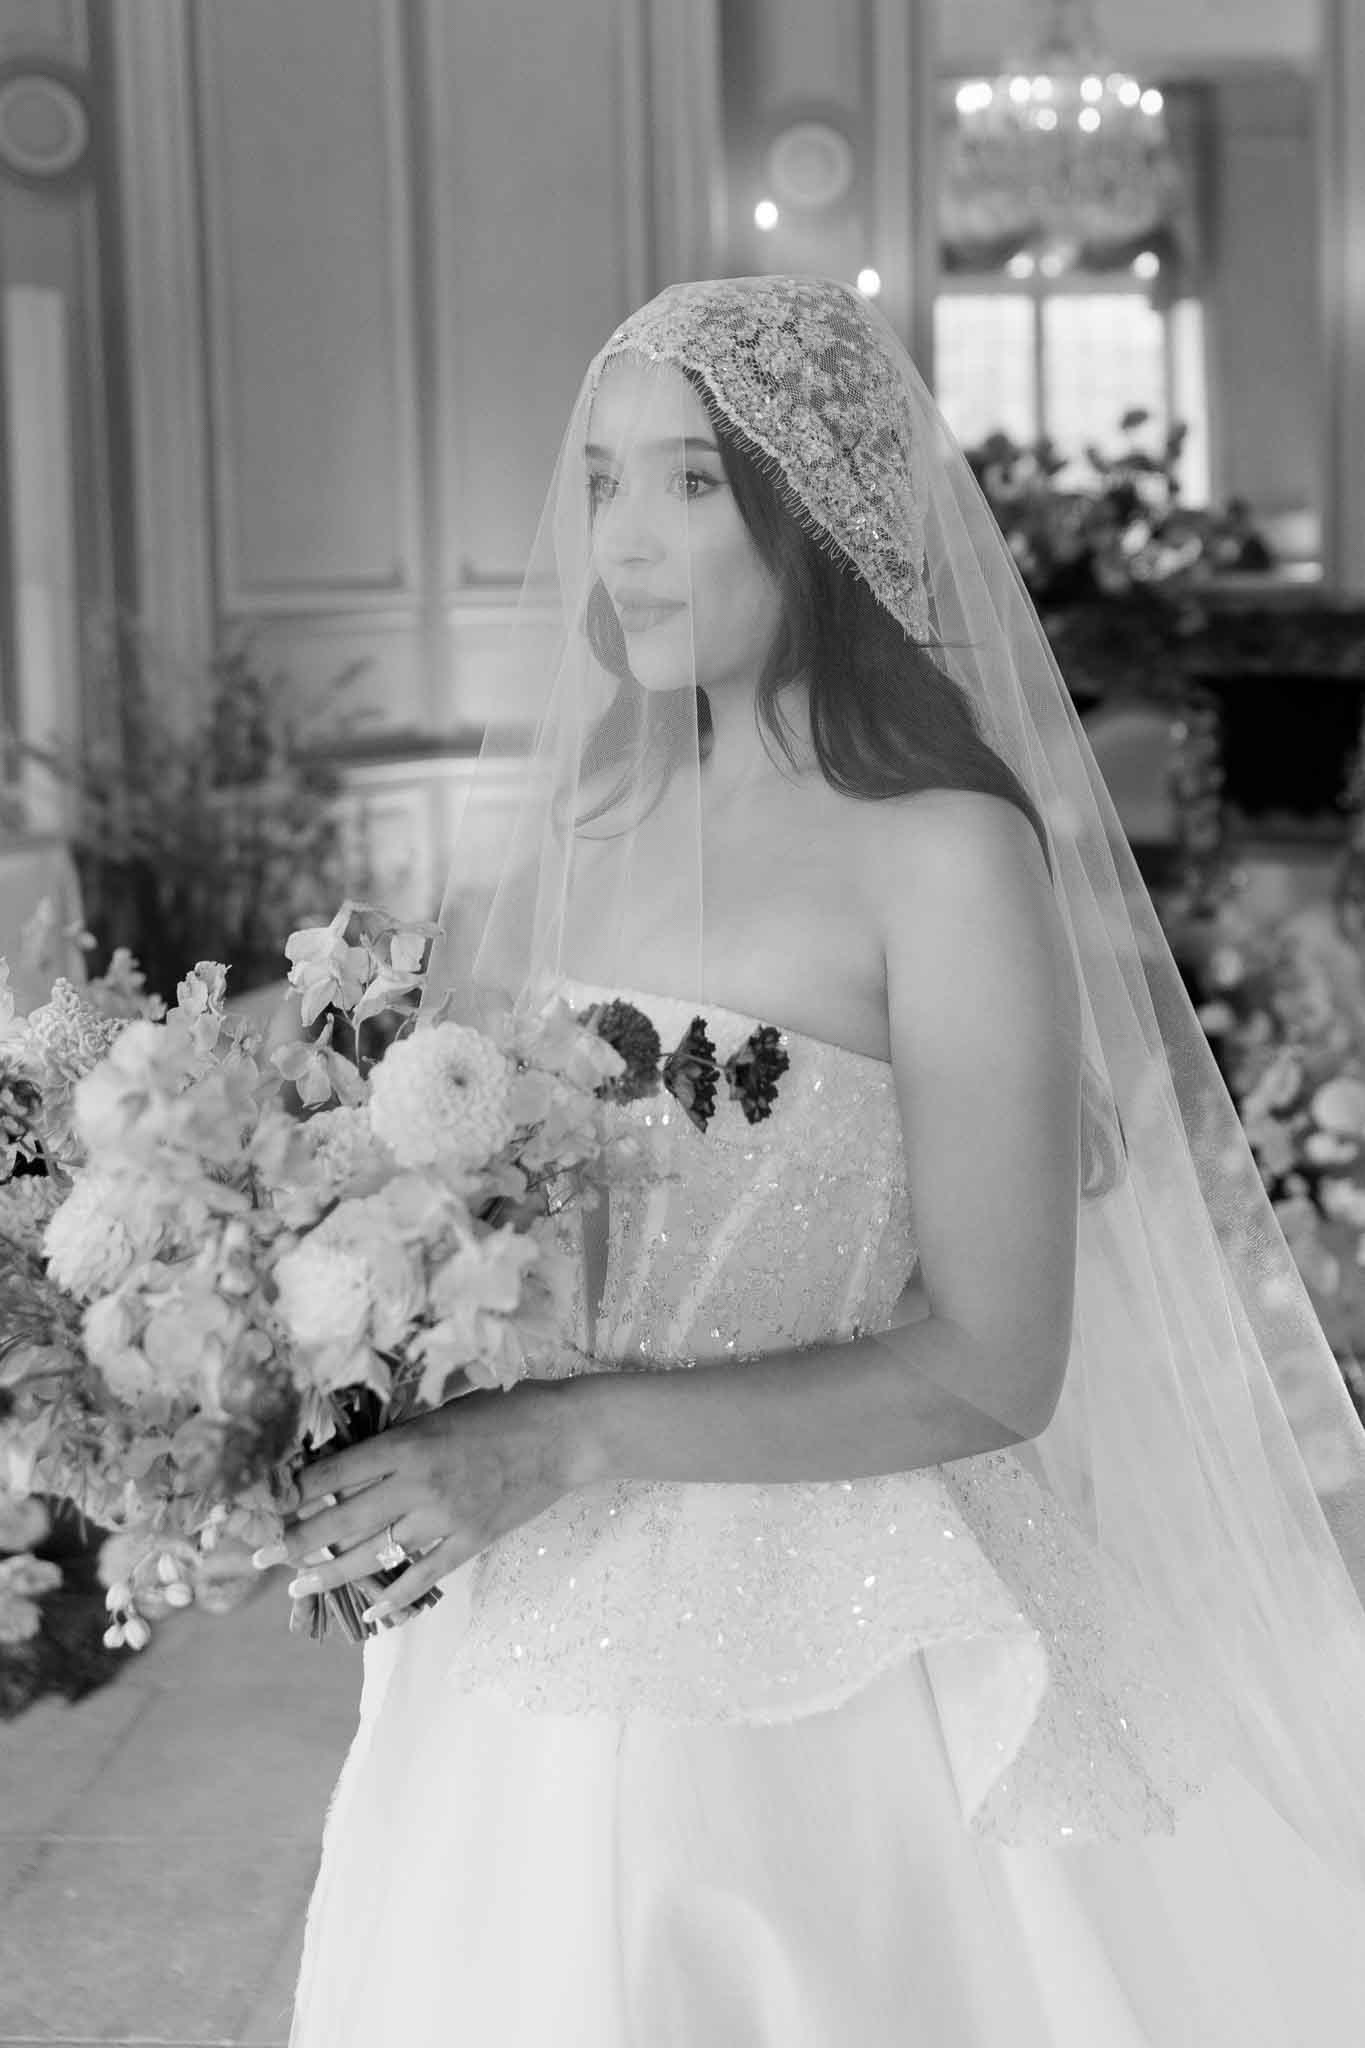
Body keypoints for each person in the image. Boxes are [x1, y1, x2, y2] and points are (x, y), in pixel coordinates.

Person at [283, 277, 1365, 2045]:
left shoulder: (939, 857)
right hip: (506, 1626)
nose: (627, 543)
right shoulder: (581, 832)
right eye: (606, 481)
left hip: (824, 1652)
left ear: (827, 515)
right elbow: (458, 1222)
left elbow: (997, 1364)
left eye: (696, 484)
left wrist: (557, 1439)